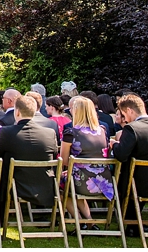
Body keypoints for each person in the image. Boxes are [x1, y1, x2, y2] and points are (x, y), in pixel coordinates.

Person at [109, 93, 148, 236]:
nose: (124, 120)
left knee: (124, 177)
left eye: (124, 115)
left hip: (136, 183)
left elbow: (121, 155)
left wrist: (114, 145)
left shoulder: (132, 129)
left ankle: (132, 225)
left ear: (130, 111)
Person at [0, 95, 60, 213]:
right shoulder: (50, 133)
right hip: (44, 185)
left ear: (17, 112)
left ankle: (2, 214)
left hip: (15, 186)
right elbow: (53, 158)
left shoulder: (6, 132)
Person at [60, 97, 112, 226]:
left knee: (58, 186)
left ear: (76, 111)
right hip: (104, 182)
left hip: (80, 182)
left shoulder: (71, 132)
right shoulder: (102, 131)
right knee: (69, 183)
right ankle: (89, 222)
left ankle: (79, 222)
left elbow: (64, 161)